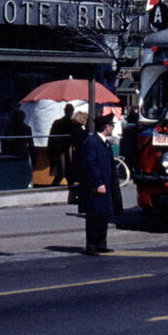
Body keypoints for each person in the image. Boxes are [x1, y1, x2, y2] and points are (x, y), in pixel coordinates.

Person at [78, 113, 119, 255]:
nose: (113, 127)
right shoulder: (91, 142)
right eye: (111, 125)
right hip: (96, 186)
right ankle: (92, 245)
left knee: (104, 215)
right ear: (106, 127)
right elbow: (91, 165)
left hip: (106, 183)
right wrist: (98, 183)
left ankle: (102, 243)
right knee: (94, 216)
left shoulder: (105, 142)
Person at [47, 103, 77, 186]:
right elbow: (52, 137)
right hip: (61, 150)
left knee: (66, 171)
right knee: (62, 170)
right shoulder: (60, 123)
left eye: (70, 111)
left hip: (67, 149)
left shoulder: (71, 123)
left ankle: (68, 184)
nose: (69, 112)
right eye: (68, 110)